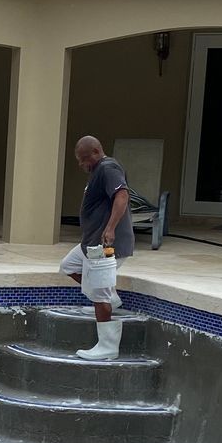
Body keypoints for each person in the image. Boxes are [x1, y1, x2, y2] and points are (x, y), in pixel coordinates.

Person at [58, 135, 134, 360]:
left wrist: (110, 228)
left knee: (98, 293)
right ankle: (110, 297)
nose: (82, 165)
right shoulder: (98, 171)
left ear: (96, 151)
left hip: (105, 245)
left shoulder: (108, 168)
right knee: (68, 266)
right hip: (91, 244)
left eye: (83, 159)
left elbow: (122, 195)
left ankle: (107, 346)